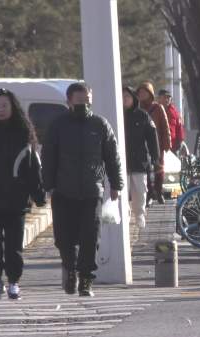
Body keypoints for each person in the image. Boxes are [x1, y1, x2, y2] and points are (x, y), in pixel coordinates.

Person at [42, 82, 124, 297]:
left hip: (91, 191)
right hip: (62, 190)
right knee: (63, 238)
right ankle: (70, 269)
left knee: (90, 237)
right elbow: (48, 157)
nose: (83, 105)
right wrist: (47, 185)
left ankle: (86, 279)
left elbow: (112, 157)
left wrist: (116, 184)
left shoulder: (100, 125)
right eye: (79, 102)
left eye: (87, 101)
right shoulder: (57, 125)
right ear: (69, 102)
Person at [0, 88, 45, 300]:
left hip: (17, 201)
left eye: (5, 105)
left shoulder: (23, 134)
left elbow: (33, 169)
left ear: (12, 108)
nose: (1, 109)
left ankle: (14, 282)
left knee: (14, 246)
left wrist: (38, 195)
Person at [123, 86, 160, 229]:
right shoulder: (116, 114)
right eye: (122, 97)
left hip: (139, 161)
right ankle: (125, 216)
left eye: (127, 96)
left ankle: (139, 214)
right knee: (122, 192)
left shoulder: (142, 116)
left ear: (133, 98)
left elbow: (152, 138)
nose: (125, 99)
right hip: (122, 162)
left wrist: (155, 158)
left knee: (140, 190)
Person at [137, 82, 170, 204]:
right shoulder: (137, 109)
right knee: (146, 170)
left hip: (157, 143)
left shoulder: (158, 108)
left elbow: (165, 127)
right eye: (140, 93)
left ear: (150, 94)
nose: (141, 95)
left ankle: (159, 191)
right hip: (141, 145)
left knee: (159, 169)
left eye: (144, 92)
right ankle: (149, 193)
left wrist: (167, 143)